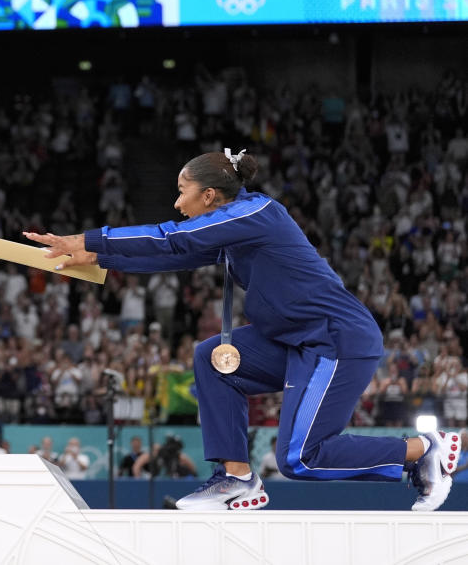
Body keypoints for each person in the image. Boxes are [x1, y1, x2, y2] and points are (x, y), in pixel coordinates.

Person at [24, 149, 458, 512]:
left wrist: (87, 240)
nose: (177, 203)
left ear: (209, 195)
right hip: (295, 341)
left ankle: (423, 451)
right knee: (210, 359)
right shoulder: (233, 229)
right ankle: (237, 479)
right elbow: (176, 256)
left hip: (336, 339)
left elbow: (173, 238)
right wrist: (100, 260)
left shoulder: (258, 213)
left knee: (299, 458)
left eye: (182, 193)